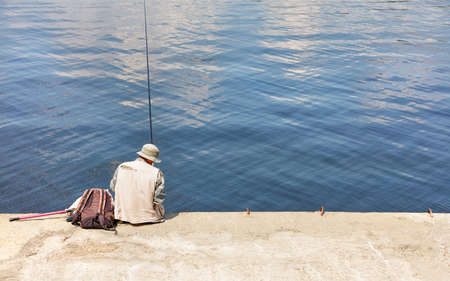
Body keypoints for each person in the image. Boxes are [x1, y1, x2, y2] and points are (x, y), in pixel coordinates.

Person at [110, 143, 166, 224]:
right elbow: (159, 199)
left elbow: (113, 187)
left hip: (122, 216)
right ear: (150, 159)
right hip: (148, 218)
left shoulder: (122, 166)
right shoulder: (156, 172)